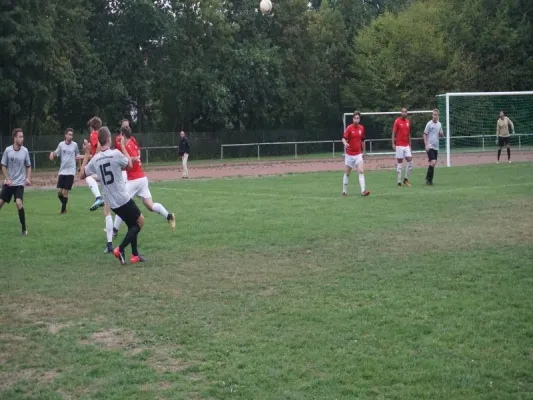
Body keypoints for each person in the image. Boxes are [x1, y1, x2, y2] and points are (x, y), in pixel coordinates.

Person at [80, 126, 146, 265]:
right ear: (109, 139)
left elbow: (81, 175)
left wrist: (86, 154)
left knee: (131, 224)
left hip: (111, 202)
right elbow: (129, 165)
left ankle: (134, 255)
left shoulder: (96, 159)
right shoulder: (115, 154)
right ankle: (120, 249)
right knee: (140, 221)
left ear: (99, 141)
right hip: (122, 198)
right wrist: (123, 146)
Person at [113, 126, 176, 236]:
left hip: (135, 180)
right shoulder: (133, 141)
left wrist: (127, 157)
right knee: (150, 205)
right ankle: (169, 216)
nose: (119, 137)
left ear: (123, 135)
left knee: (121, 204)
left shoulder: (128, 145)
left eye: (121, 135)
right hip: (141, 178)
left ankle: (114, 231)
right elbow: (136, 156)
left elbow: (134, 159)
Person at [0, 128, 32, 236]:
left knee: (19, 203)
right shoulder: (8, 150)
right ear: (14, 138)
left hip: (19, 184)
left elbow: (28, 166)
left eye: (23, 136)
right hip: (9, 183)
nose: (22, 139)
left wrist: (27, 178)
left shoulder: (25, 151)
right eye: (20, 136)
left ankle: (24, 229)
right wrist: (7, 178)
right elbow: (3, 165)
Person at [49, 128, 80, 213]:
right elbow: (56, 154)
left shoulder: (75, 145)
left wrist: (79, 166)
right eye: (69, 134)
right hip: (62, 171)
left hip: (71, 171)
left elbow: (78, 155)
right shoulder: (61, 145)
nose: (70, 136)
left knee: (65, 192)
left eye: (72, 135)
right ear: (65, 135)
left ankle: (62, 210)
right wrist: (52, 154)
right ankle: (64, 206)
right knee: (59, 192)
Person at [341, 111, 370, 197]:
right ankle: (344, 191)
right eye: (355, 118)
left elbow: (363, 140)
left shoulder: (362, 128)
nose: (356, 120)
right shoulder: (349, 128)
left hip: (358, 154)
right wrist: (345, 143)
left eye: (358, 118)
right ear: (353, 119)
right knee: (347, 173)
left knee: (361, 171)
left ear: (359, 119)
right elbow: (343, 138)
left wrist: (363, 152)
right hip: (349, 154)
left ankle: (363, 191)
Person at [86, 117, 105, 210]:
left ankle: (98, 198)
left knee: (89, 178)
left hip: (99, 163)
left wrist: (95, 159)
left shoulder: (93, 134)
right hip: (106, 161)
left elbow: (98, 145)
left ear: (92, 127)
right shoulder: (103, 134)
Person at [392, 107, 413, 187]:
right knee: (400, 163)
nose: (404, 113)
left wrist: (410, 145)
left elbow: (409, 134)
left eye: (405, 112)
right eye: (403, 112)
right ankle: (399, 182)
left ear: (406, 113)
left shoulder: (408, 122)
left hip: (406, 145)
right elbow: (393, 133)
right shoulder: (397, 121)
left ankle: (406, 179)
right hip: (399, 145)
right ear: (401, 113)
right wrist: (393, 143)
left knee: (410, 162)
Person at [423, 109, 444, 185]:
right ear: (432, 115)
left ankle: (429, 179)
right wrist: (426, 145)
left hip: (436, 147)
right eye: (433, 114)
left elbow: (441, 135)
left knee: (433, 163)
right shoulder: (429, 124)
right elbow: (425, 134)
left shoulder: (439, 124)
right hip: (430, 146)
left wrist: (441, 134)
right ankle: (429, 180)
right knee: (433, 161)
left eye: (436, 115)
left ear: (438, 116)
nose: (434, 116)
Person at [115, 119, 130, 184]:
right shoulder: (118, 138)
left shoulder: (132, 138)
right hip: (122, 167)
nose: (126, 127)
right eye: (125, 125)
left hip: (129, 166)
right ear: (121, 127)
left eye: (127, 125)